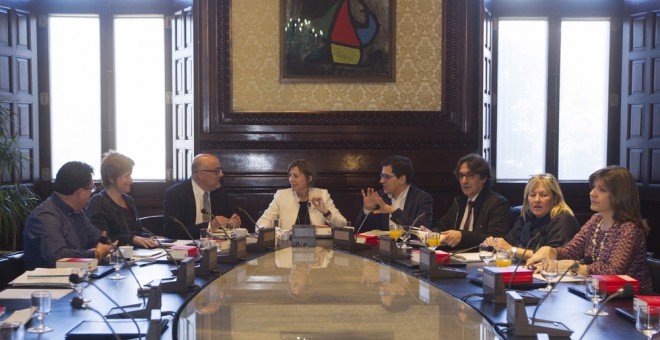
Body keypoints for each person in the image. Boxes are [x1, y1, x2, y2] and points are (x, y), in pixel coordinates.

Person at [527, 166, 652, 292]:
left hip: (630, 302)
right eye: (593, 187)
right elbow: (572, 251)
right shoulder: (596, 220)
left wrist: (573, 267)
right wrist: (552, 252)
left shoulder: (629, 229)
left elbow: (612, 271)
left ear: (620, 195)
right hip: (597, 292)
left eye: (602, 189)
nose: (592, 193)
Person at [23, 161, 115, 269]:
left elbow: (96, 237)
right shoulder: (45, 217)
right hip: (50, 281)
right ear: (80, 192)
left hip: (78, 275)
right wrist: (94, 253)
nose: (92, 192)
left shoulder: (77, 211)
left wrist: (102, 243)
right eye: (92, 188)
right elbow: (57, 257)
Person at [482, 174, 580, 260]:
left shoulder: (564, 220)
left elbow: (550, 256)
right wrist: (495, 243)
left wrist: (512, 250)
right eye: (532, 195)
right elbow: (508, 242)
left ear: (555, 198)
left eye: (543, 195)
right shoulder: (527, 217)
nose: (537, 200)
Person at [432, 153, 511, 249]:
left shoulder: (498, 204)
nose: (464, 181)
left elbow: (494, 239)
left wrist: (462, 236)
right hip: (455, 256)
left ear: (484, 178)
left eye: (470, 176)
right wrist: (432, 234)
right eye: (461, 176)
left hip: (481, 259)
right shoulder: (459, 201)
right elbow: (442, 225)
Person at [86, 151, 157, 248]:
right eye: (127, 176)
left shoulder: (128, 200)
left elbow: (138, 232)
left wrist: (153, 238)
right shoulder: (98, 201)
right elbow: (101, 238)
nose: (131, 181)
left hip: (136, 255)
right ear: (111, 178)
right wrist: (132, 239)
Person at [163, 153, 241, 239]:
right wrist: (209, 226)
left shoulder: (219, 192)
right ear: (201, 175)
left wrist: (232, 223)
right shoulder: (176, 194)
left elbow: (227, 221)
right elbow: (172, 231)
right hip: (187, 247)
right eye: (217, 171)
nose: (221, 174)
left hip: (218, 246)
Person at [256, 159, 347, 230]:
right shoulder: (282, 195)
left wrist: (325, 212)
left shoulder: (322, 194)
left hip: (317, 250)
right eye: (290, 175)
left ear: (309, 178)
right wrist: (266, 228)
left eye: (295, 176)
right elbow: (261, 223)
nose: (291, 180)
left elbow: (343, 225)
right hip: (287, 248)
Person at [354, 155, 433, 232]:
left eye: (386, 177)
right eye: (381, 175)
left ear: (402, 179)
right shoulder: (378, 197)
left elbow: (422, 231)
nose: (381, 181)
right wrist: (367, 210)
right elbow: (359, 231)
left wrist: (393, 211)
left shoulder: (422, 199)